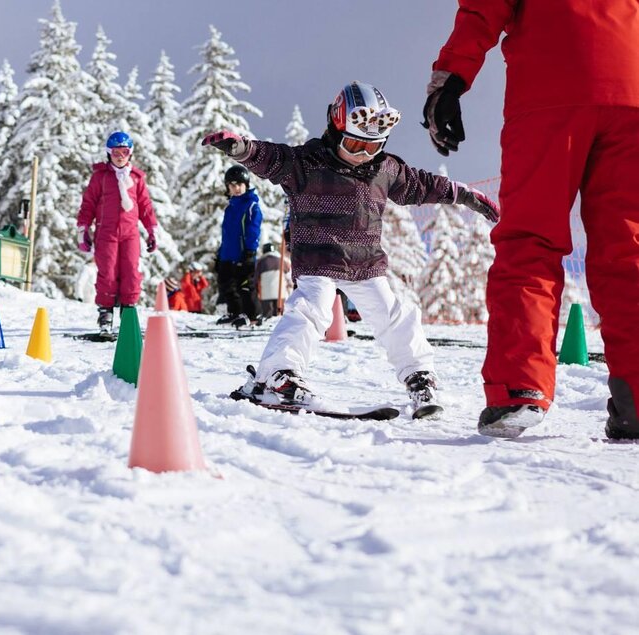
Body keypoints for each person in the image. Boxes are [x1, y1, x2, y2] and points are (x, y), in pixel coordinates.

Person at [202, 81, 499, 416]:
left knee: (395, 316)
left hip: (365, 263)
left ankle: (419, 376)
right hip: (318, 261)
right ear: (335, 129)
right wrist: (242, 149)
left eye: (372, 146)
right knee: (310, 309)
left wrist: (464, 194)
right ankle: (278, 376)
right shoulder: (307, 162)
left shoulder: (385, 169)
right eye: (355, 143)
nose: (362, 154)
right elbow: (272, 158)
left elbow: (423, 184)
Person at [425, 1, 639, 439]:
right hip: (633, 91)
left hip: (551, 92)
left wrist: (450, 82)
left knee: (531, 240)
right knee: (629, 252)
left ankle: (519, 389)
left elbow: (482, 9)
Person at [77, 131, 159, 333]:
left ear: (130, 153)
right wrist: (83, 229)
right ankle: (106, 313)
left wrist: (152, 230)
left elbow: (145, 206)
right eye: (116, 153)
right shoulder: (101, 177)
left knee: (131, 271)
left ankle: (128, 311)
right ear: (109, 153)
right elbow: (88, 204)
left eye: (124, 152)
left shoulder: (136, 178)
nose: (120, 157)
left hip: (130, 234)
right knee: (108, 272)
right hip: (106, 233)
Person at [215, 165, 263, 328]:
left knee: (244, 284)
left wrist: (250, 252)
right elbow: (227, 234)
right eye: (232, 185)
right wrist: (221, 253)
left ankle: (254, 316)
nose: (236, 188)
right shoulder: (230, 207)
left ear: (246, 185)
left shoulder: (251, 206)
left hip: (244, 253)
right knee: (226, 284)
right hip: (228, 254)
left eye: (239, 184)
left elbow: (253, 231)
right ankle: (235, 312)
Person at [255, 243, 284, 319]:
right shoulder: (281, 260)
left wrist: (256, 288)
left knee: (268, 314)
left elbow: (256, 276)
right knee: (279, 313)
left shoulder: (261, 261)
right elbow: (288, 272)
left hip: (266, 291)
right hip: (280, 291)